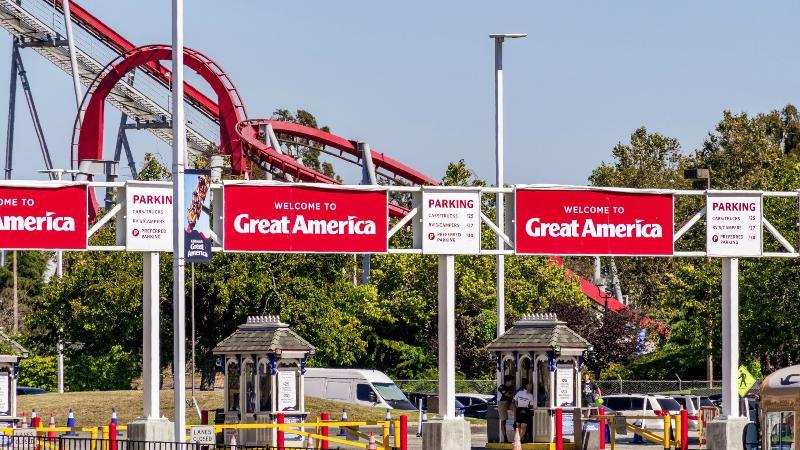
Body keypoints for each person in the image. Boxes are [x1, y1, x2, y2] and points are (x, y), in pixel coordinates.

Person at [497, 375, 515, 442]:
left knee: (515, 409)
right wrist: (515, 392)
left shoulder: (511, 387)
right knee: (503, 420)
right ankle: (505, 437)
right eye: (511, 381)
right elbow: (508, 395)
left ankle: (515, 422)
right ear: (507, 381)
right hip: (502, 403)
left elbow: (511, 395)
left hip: (509, 402)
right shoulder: (501, 387)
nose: (512, 382)